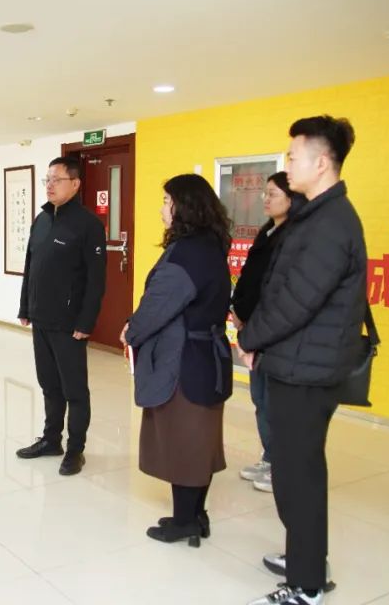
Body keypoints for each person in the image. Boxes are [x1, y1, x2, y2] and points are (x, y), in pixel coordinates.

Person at [238, 116, 366, 605]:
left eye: (292, 157)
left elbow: (296, 301)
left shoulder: (331, 224)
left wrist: (250, 338)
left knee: (300, 476)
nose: (286, 164)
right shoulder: (314, 216)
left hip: (307, 371)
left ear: (321, 163)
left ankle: (307, 585)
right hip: (295, 362)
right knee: (295, 472)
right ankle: (305, 559)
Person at [121, 174, 233, 547]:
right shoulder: (210, 245)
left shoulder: (187, 253)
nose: (161, 209)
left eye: (167, 201)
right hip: (208, 358)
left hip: (184, 362)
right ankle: (195, 515)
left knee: (183, 440)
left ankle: (185, 521)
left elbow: (158, 305)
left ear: (184, 207)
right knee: (201, 440)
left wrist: (131, 331)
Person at [16, 157, 107, 476]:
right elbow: (31, 267)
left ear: (75, 184)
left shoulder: (88, 225)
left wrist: (86, 321)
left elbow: (96, 280)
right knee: (49, 385)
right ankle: (51, 439)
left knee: (74, 390)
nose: (50, 185)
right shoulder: (41, 220)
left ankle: (75, 450)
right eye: (48, 180)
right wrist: (25, 306)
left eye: (57, 179)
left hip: (69, 324)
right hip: (40, 319)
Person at [231, 172, 304, 493]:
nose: (265, 199)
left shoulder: (294, 236)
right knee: (260, 398)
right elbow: (250, 277)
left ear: (291, 198)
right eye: (265, 193)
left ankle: (283, 465)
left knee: (277, 403)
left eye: (272, 194)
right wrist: (238, 311)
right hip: (253, 329)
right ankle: (270, 456)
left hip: (274, 333)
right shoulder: (267, 231)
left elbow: (277, 290)